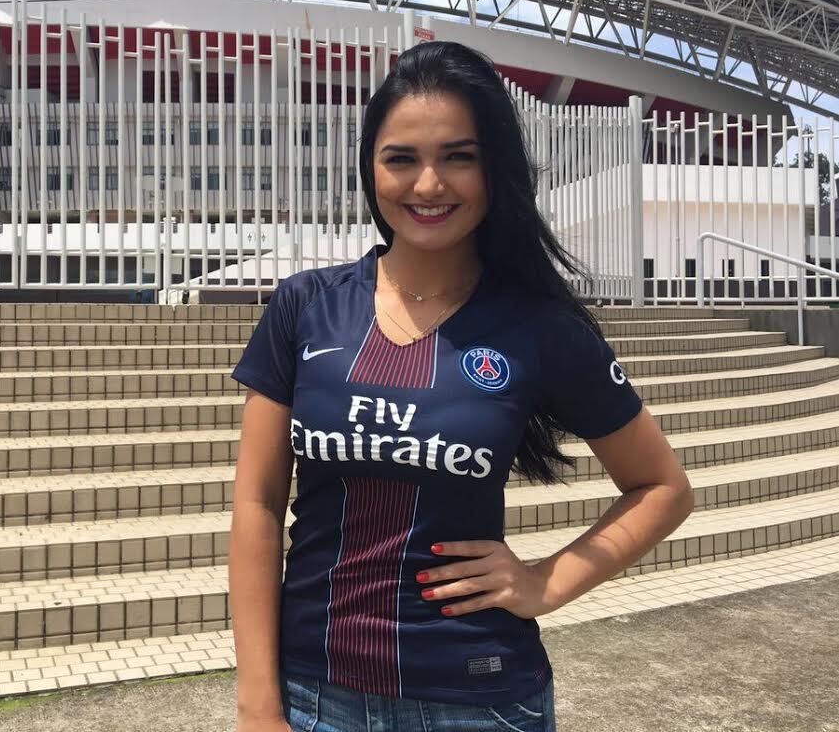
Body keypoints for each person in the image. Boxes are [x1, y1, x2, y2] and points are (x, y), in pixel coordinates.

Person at [228, 41, 694, 732]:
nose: (427, 185)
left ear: (493, 167)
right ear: (369, 167)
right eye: (400, 158)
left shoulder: (539, 325)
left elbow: (663, 488)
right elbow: (258, 504)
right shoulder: (306, 307)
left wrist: (544, 581)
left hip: (479, 700)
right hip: (312, 698)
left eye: (458, 156)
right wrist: (258, 705)